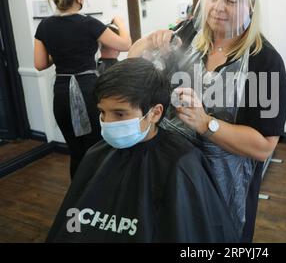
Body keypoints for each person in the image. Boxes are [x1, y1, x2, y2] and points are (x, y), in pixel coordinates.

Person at [128, 0, 286, 242]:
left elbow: (264, 146)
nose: (218, 7)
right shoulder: (187, 35)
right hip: (170, 172)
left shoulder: (265, 62)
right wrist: (148, 42)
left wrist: (206, 124)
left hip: (223, 185)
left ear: (251, 5)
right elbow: (134, 71)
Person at [46, 58, 239, 242]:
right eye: (102, 112)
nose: (107, 122)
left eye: (120, 113)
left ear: (155, 113)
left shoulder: (181, 162)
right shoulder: (96, 154)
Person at [34, 0, 131, 179]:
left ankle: (78, 198)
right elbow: (125, 45)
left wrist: (61, 53)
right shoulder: (89, 24)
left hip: (61, 93)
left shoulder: (44, 26)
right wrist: (120, 23)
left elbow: (40, 64)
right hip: (88, 91)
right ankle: (99, 198)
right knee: (97, 148)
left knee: (76, 151)